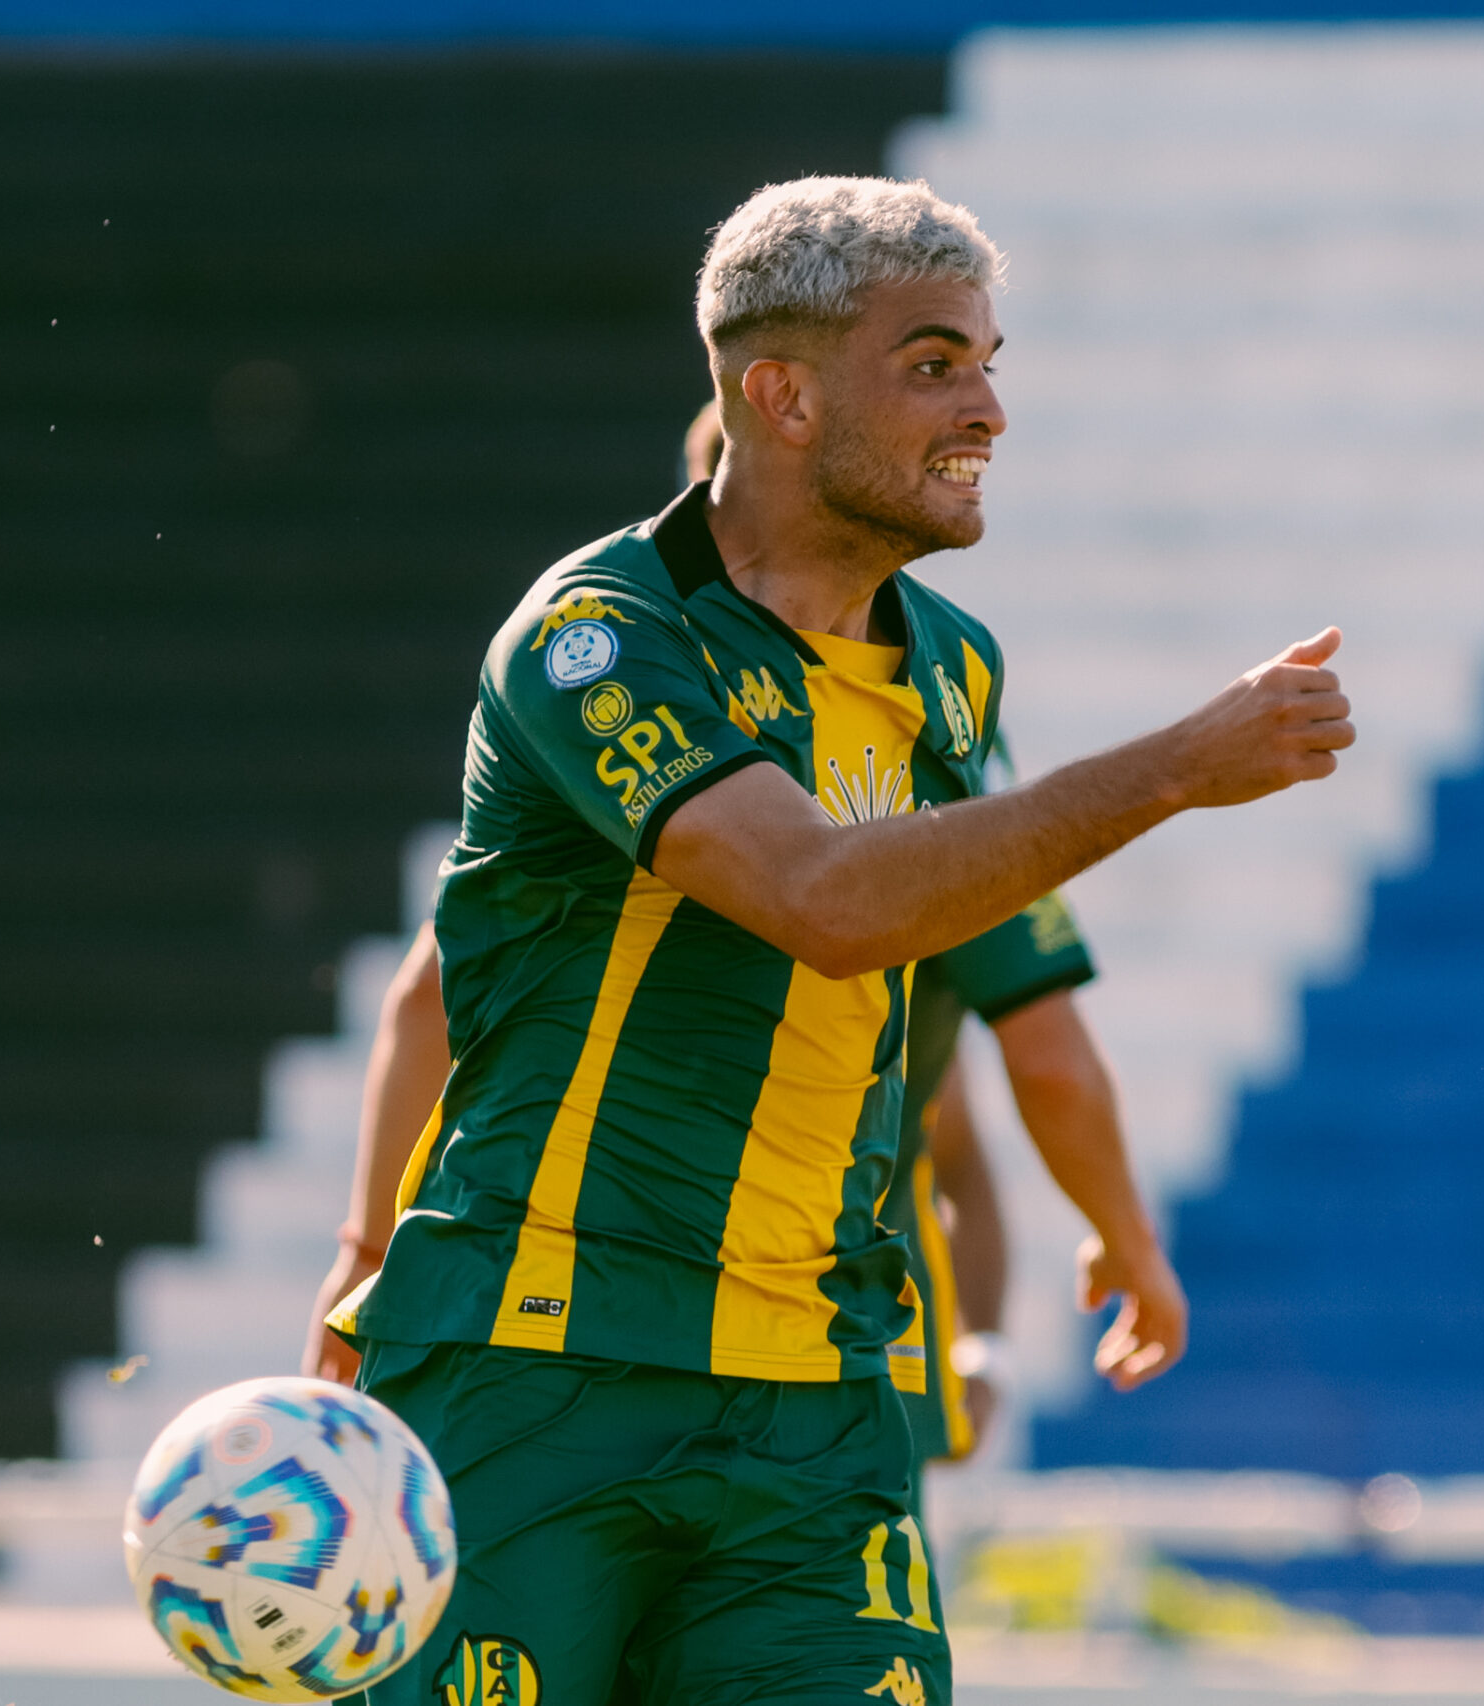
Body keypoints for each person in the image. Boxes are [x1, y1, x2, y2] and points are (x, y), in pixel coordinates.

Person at [323, 176, 1352, 1706]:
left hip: (818, 1407)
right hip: (536, 1374)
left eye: (993, 361)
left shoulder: (952, 674)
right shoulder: (599, 637)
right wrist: (1177, 765)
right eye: (936, 362)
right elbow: (827, 905)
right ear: (781, 393)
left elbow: (986, 981)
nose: (990, 406)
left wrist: (1116, 1231)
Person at [308, 409, 1186, 1496]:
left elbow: (427, 997)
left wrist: (367, 1248)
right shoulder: (929, 737)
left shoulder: (639, 701)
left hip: (575, 1310)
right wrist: (1118, 1238)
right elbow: (1025, 1063)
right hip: (831, 1322)